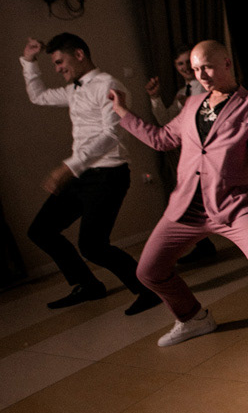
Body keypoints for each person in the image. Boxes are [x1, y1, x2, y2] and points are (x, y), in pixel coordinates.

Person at [110, 40, 248, 354]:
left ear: (227, 63)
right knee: (148, 271)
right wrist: (122, 110)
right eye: (196, 69)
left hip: (234, 206)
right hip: (186, 206)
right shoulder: (190, 104)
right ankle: (193, 318)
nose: (201, 75)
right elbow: (161, 139)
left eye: (207, 67)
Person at [20, 33, 159, 314]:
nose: (57, 68)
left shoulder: (109, 85)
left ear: (79, 54)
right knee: (41, 230)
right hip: (81, 174)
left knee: (93, 245)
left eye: (60, 62)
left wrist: (68, 166)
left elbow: (111, 134)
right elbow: (38, 96)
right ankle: (88, 285)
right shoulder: (73, 89)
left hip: (108, 175)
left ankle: (149, 290)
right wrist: (28, 60)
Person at [146, 45, 217, 264]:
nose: (185, 67)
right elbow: (166, 121)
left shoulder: (208, 86)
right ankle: (204, 246)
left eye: (188, 62)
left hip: (209, 152)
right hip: (189, 154)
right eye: (180, 64)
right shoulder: (180, 93)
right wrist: (156, 98)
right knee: (188, 201)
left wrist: (196, 106)